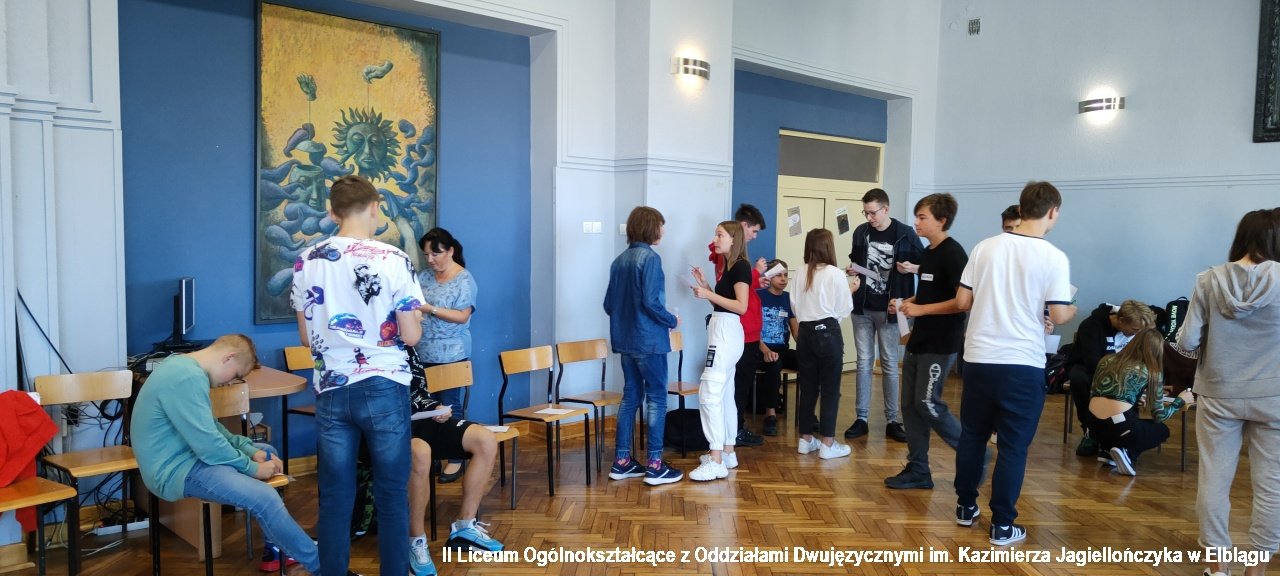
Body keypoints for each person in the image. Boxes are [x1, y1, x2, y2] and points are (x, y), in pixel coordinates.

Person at [293, 174, 424, 576]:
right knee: (391, 494)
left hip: (331, 387)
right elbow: (410, 335)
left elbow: (306, 336)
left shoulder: (306, 260)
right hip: (384, 384)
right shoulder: (394, 259)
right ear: (375, 206)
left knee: (334, 496)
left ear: (332, 213)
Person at [131, 335, 324, 576]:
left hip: (190, 457)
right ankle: (323, 568)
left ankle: (277, 548)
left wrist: (251, 451)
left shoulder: (183, 366)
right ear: (228, 358)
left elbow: (213, 429)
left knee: (267, 453)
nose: (229, 382)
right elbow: (208, 445)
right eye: (235, 375)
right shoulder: (186, 377)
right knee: (265, 497)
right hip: (174, 470)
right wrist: (252, 468)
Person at [952, 181, 1076, 547]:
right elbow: (1058, 314)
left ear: (1021, 209)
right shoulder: (1054, 256)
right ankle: (1003, 525)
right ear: (1053, 212)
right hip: (1022, 363)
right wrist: (1070, 310)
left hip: (978, 358)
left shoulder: (985, 247)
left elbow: (962, 302)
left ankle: (965, 507)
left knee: (973, 436)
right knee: (1013, 446)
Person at [1176, 208, 1280, 576]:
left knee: (1214, 479)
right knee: (1271, 485)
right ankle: (1256, 569)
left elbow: (1187, 341)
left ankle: (1217, 567)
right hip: (1274, 396)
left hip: (1219, 393)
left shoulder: (1208, 280)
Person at [885, 193, 967, 490]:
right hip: (919, 340)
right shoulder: (929, 252)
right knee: (909, 405)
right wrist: (908, 302)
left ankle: (973, 453)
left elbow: (962, 302)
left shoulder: (954, 254)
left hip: (941, 343)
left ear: (941, 220)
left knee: (927, 402)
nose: (916, 222)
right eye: (917, 216)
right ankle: (918, 469)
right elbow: (929, 293)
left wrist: (921, 310)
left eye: (923, 217)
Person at [604, 206, 683, 486]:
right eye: (660, 226)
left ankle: (622, 462)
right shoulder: (650, 258)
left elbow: (609, 305)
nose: (663, 231)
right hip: (649, 342)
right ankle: (655, 465)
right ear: (651, 228)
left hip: (625, 342)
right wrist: (671, 319)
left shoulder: (618, 261)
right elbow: (651, 302)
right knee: (657, 400)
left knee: (630, 399)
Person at [404, 358, 503, 574]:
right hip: (383, 424)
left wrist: (434, 407)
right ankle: (414, 542)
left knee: (485, 439)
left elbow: (418, 391)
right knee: (420, 452)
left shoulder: (406, 347)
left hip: (420, 418)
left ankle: (464, 529)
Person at [845, 188, 921, 442]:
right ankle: (861, 418)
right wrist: (853, 270)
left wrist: (912, 268)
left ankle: (892, 419)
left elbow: (927, 266)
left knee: (889, 363)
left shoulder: (906, 234)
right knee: (864, 362)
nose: (869, 218)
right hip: (862, 307)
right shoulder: (861, 232)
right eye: (865, 213)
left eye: (873, 213)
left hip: (891, 309)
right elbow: (857, 263)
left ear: (886, 209)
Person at [689, 221, 752, 481]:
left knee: (709, 393)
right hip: (723, 330)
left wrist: (708, 294)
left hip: (726, 334)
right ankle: (727, 452)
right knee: (725, 394)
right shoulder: (729, 266)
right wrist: (706, 285)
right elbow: (724, 304)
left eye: (719, 235)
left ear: (733, 239)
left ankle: (715, 459)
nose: (714, 239)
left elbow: (741, 306)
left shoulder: (741, 266)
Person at [414, 228, 478, 484]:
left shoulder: (464, 279)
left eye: (435, 254)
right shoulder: (423, 277)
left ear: (450, 251)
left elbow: (462, 316)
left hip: (452, 354)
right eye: (426, 255)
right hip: (421, 352)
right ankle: (430, 455)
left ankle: (455, 457)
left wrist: (430, 309)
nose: (430, 259)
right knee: (425, 406)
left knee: (449, 405)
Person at [1088, 328, 1194, 477]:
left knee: (1128, 416)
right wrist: (1180, 401)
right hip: (1120, 427)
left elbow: (1100, 393)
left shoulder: (1106, 360)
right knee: (1162, 430)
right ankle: (1128, 454)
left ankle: (1107, 450)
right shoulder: (1151, 371)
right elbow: (1159, 416)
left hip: (1092, 426)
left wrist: (1134, 398)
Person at [708, 203, 769, 447]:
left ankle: (729, 441)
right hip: (736, 330)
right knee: (731, 387)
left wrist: (755, 280)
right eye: (753, 231)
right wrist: (756, 273)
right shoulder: (735, 262)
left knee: (736, 385)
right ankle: (729, 438)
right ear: (742, 227)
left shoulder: (739, 263)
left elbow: (737, 292)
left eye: (719, 235)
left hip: (742, 329)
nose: (754, 236)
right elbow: (737, 298)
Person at [790, 229, 854, 460]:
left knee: (808, 389)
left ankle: (805, 440)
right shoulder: (835, 273)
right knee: (830, 390)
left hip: (805, 333)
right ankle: (827, 443)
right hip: (827, 332)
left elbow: (794, 306)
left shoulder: (800, 271)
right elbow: (844, 308)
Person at [1066, 300, 1156, 458]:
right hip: (1089, 367)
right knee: (1079, 379)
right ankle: (1090, 431)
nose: (1137, 334)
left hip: (1121, 369)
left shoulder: (1136, 330)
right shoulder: (1091, 325)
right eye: (1134, 329)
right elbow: (1092, 361)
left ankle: (1122, 433)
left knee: (1132, 380)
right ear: (1121, 320)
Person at [757, 259, 799, 436]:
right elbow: (751, 330)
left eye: (786, 275)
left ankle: (808, 413)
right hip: (761, 349)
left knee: (808, 361)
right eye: (778, 275)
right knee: (774, 364)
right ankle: (771, 415)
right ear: (769, 277)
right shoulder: (758, 295)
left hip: (782, 349)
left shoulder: (789, 298)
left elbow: (796, 331)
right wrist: (765, 350)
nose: (783, 279)